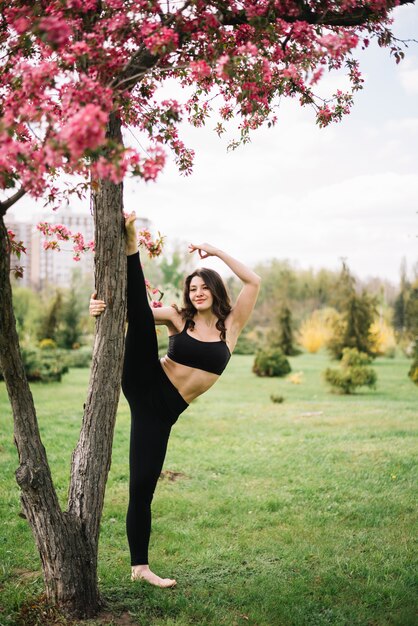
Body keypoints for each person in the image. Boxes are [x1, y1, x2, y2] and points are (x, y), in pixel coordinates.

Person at [89, 211, 261, 588]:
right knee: (138, 319)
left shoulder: (231, 326)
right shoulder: (177, 317)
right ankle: (132, 243)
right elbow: (131, 314)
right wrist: (98, 309)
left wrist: (214, 251)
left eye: (204, 287)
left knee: (142, 486)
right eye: (193, 288)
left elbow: (254, 280)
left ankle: (140, 568)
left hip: (163, 411)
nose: (197, 293)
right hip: (144, 379)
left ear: (215, 290)